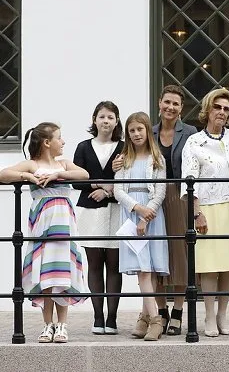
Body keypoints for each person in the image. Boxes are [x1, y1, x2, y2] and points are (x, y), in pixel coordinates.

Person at [0, 122, 89, 343]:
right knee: (46, 274)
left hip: (64, 228)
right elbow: (4, 174)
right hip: (43, 228)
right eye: (60, 138)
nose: (64, 142)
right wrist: (28, 177)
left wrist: (58, 175)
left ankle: (62, 325)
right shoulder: (32, 165)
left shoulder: (63, 164)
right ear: (48, 142)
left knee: (62, 273)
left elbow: (84, 174)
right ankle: (47, 324)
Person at [181, 88, 229, 337]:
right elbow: (188, 179)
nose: (222, 112)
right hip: (207, 209)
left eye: (226, 108)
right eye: (217, 107)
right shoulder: (194, 141)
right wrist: (196, 213)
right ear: (207, 110)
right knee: (209, 265)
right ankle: (209, 315)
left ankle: (223, 314)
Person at [114, 112, 169, 341]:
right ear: (127, 134)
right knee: (142, 269)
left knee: (150, 270)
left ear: (148, 131)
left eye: (140, 129)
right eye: (132, 130)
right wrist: (137, 210)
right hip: (131, 215)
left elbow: (160, 192)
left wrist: (147, 217)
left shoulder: (157, 159)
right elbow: (118, 191)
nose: (136, 134)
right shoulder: (124, 160)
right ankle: (153, 319)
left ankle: (148, 318)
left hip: (152, 217)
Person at [73, 101, 124, 335]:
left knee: (114, 264)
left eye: (110, 117)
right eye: (102, 116)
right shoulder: (83, 147)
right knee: (94, 264)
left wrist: (108, 190)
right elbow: (75, 179)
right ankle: (98, 318)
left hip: (116, 210)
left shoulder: (124, 147)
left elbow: (129, 176)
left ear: (116, 121)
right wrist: (96, 183)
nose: (106, 121)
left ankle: (112, 319)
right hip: (90, 212)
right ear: (94, 120)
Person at [152, 85, 197, 335]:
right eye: (167, 102)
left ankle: (178, 311)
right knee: (156, 253)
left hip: (179, 197)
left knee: (179, 254)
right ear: (160, 103)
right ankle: (161, 311)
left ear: (181, 108)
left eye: (176, 104)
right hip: (153, 199)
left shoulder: (190, 132)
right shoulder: (149, 132)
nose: (170, 107)